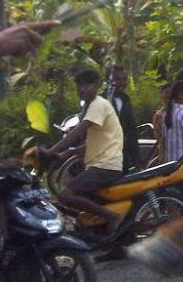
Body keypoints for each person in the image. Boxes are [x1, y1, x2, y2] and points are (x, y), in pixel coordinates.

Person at [45, 69, 126, 238]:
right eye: (80, 85)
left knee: (66, 195)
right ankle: (103, 234)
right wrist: (66, 154)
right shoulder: (91, 107)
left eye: (88, 85)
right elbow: (93, 142)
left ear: (97, 85)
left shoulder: (98, 104)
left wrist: (51, 151)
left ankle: (112, 217)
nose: (83, 89)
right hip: (101, 164)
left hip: (105, 166)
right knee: (85, 198)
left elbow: (78, 131)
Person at [105, 64, 141, 170]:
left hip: (123, 154)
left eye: (124, 79)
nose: (121, 83)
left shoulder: (126, 99)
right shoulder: (101, 99)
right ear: (109, 80)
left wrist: (137, 159)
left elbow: (131, 129)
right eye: (117, 79)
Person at [152, 82, 173, 162]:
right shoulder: (158, 115)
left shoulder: (182, 113)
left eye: (171, 93)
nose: (169, 95)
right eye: (166, 92)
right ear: (161, 95)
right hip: (165, 152)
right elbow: (159, 136)